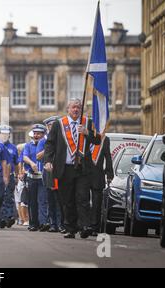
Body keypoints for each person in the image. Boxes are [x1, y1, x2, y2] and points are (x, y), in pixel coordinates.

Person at [44, 98, 102, 239]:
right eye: (73, 107)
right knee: (68, 200)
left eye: (78, 107)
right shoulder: (59, 124)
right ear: (68, 109)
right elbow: (50, 144)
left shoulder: (87, 122)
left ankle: (85, 226)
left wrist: (87, 132)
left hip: (82, 168)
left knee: (82, 198)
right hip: (65, 167)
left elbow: (98, 140)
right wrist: (48, 161)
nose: (76, 110)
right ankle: (70, 228)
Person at [23, 124, 49, 232]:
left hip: (43, 177)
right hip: (32, 177)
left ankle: (43, 222)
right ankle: (33, 223)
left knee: (42, 200)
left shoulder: (47, 145)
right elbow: (25, 156)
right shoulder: (29, 145)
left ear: (43, 135)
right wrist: (31, 163)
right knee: (32, 201)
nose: (36, 135)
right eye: (35, 133)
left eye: (38, 133)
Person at [42, 116, 65, 233]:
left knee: (61, 200)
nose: (52, 128)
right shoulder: (43, 140)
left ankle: (62, 223)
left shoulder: (62, 138)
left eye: (54, 126)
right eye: (50, 126)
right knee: (50, 200)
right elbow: (39, 156)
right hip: (49, 172)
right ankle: (53, 223)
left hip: (60, 171)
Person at [90, 135, 113, 236]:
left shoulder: (104, 139)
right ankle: (83, 225)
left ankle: (95, 228)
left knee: (97, 203)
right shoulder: (82, 136)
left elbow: (108, 156)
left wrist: (109, 174)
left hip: (97, 175)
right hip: (82, 174)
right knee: (82, 201)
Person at [0, 125, 20, 228]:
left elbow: (16, 163)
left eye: (6, 134)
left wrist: (17, 175)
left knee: (9, 196)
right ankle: (1, 218)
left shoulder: (13, 148)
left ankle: (8, 217)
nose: (4, 136)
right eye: (3, 134)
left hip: (10, 175)